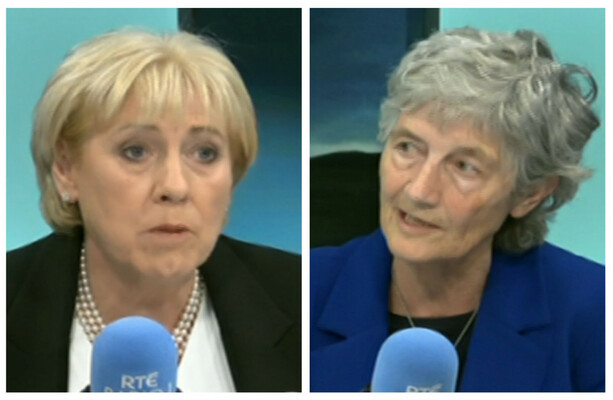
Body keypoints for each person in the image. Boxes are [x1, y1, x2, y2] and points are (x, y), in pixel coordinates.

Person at [310, 27, 604, 392]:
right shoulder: (301, 289)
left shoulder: (594, 311)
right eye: (407, 148)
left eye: (464, 166)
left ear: (530, 193)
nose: (419, 191)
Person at [7, 28, 300, 392]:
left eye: (205, 153)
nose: (175, 187)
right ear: (66, 168)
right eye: (136, 151)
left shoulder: (300, 295)